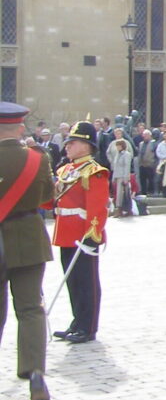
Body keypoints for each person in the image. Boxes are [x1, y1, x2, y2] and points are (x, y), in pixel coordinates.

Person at [0, 102, 55, 400]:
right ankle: (35, 374)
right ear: (20, 127)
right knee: (31, 308)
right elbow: (47, 197)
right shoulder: (38, 158)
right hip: (30, 239)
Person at [52, 118, 108, 345]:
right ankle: (77, 321)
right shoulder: (66, 169)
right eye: (68, 143)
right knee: (72, 280)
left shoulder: (94, 172)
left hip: (83, 235)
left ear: (87, 145)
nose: (68, 146)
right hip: (65, 232)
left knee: (87, 281)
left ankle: (88, 326)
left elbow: (97, 207)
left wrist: (92, 236)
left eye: (72, 143)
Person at [108, 136, 135, 216]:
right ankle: (121, 209)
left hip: (123, 176)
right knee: (118, 194)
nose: (117, 147)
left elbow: (127, 166)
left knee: (124, 194)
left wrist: (126, 178)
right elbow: (115, 166)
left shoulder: (126, 154)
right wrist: (114, 177)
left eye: (119, 145)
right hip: (118, 176)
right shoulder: (117, 154)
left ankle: (123, 210)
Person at [137, 129, 157, 196]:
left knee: (151, 179)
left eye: (146, 135)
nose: (145, 136)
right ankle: (143, 192)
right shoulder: (141, 144)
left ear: (150, 136)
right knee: (142, 179)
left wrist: (153, 163)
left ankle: (151, 192)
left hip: (150, 164)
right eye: (144, 135)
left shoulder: (153, 143)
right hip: (142, 164)